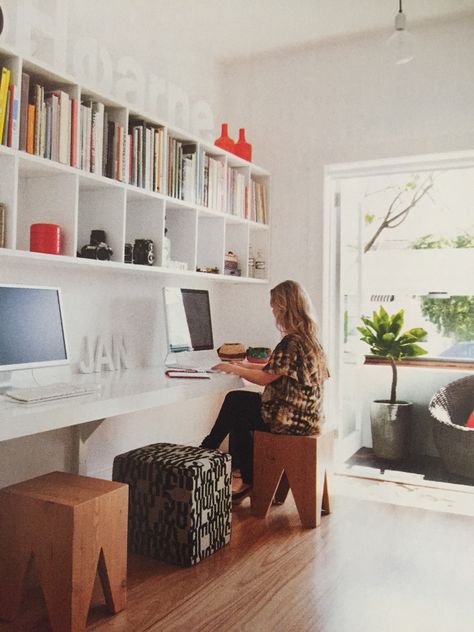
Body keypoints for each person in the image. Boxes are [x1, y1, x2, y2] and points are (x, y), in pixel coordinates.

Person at [200, 279, 329, 502]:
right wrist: (245, 365)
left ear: (283, 308)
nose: (273, 314)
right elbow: (277, 370)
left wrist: (232, 367)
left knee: (237, 402)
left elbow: (264, 379)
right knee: (241, 409)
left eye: (274, 308)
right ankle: (234, 470)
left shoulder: (291, 342)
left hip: (289, 420)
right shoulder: (310, 340)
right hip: (309, 417)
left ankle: (214, 456)